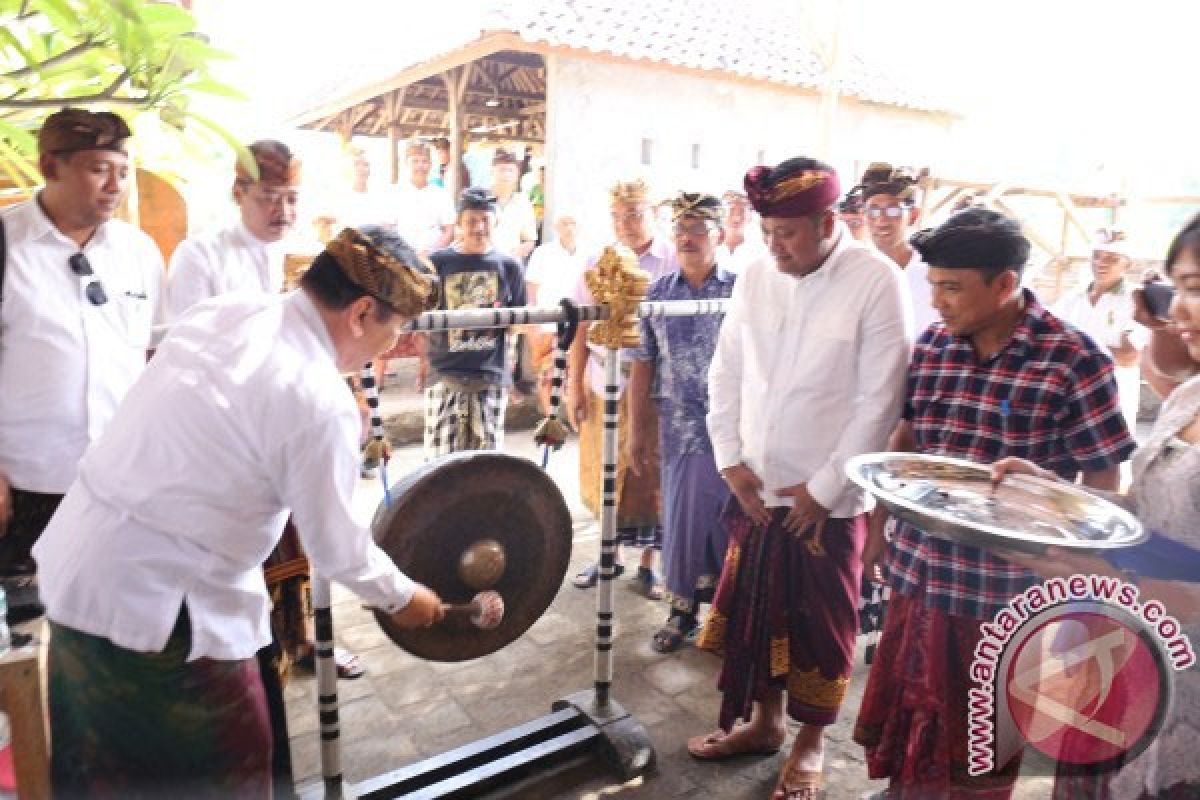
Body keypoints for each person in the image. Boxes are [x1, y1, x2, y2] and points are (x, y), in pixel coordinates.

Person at [33, 226, 445, 798]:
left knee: (104, 774)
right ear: (361, 313)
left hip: (75, 571)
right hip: (160, 610)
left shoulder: (227, 312)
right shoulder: (316, 398)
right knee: (235, 770)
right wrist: (407, 599)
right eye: (394, 329)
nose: (389, 345)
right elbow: (337, 551)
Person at [853, 209, 1138, 799]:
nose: (937, 302)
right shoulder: (932, 346)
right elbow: (906, 441)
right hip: (921, 572)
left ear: (1005, 285)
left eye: (951, 287)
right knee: (911, 708)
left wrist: (1045, 492)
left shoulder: (1074, 360)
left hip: (1002, 595)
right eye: (932, 285)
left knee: (985, 737)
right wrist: (877, 527)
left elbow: (1104, 481)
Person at [688, 157, 911, 800]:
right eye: (766, 231)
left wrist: (825, 489)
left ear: (825, 220)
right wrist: (728, 457)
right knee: (757, 615)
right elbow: (725, 370)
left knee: (821, 626)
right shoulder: (757, 276)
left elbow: (880, 399)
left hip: (828, 505)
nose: (773, 246)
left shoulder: (874, 281)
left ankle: (811, 745)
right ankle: (764, 724)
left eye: (786, 232)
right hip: (756, 489)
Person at [992, 212, 1200, 800]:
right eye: (1181, 285)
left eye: (1198, 290)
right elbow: (1149, 508)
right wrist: (1053, 490)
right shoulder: (1189, 397)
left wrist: (1112, 578)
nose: (1179, 309)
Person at [0, 108, 164, 623]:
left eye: (122, 169)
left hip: (119, 481)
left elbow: (157, 356)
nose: (115, 184)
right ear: (52, 166)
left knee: (113, 623)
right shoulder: (7, 244)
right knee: (31, 631)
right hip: (27, 485)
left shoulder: (139, 251)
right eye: (98, 169)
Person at [627, 192, 736, 653]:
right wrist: (638, 429)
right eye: (681, 230)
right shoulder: (657, 294)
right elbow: (641, 365)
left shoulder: (740, 291)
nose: (688, 239)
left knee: (731, 522)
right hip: (679, 427)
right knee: (684, 521)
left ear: (720, 236)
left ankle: (729, 616)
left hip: (734, 428)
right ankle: (682, 611)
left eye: (698, 230)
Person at [567, 178, 679, 598]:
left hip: (650, 386)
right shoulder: (597, 259)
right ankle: (607, 555)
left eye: (634, 214)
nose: (626, 223)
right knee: (605, 472)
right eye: (618, 216)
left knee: (646, 473)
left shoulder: (670, 260)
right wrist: (573, 384)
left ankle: (649, 565)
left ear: (653, 215)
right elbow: (579, 325)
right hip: (601, 380)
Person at [419, 188, 526, 457]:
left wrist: (511, 371)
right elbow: (422, 315)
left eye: (485, 220)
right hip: (445, 372)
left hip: (489, 374)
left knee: (486, 467)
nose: (478, 228)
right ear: (459, 224)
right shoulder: (438, 263)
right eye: (471, 221)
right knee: (439, 465)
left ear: (495, 222)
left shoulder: (509, 265)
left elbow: (519, 322)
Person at [1053, 228, 1148, 429]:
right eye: (1097, 256)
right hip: (1069, 398)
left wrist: (1071, 350)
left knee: (1109, 456)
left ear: (1127, 264)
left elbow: (1129, 357)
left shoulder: (1136, 300)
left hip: (1112, 399)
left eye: (1112, 258)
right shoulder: (1074, 297)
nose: (1101, 263)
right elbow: (1048, 341)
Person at [860, 162, 938, 335]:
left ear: (913, 216)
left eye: (893, 210)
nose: (881, 221)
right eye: (873, 211)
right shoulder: (856, 273)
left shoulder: (932, 274)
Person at [526, 214, 586, 414]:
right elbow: (531, 292)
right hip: (548, 324)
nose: (569, 228)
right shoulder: (542, 253)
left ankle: (571, 418)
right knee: (548, 376)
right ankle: (550, 422)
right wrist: (532, 327)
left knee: (575, 372)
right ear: (556, 227)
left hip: (579, 324)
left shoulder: (589, 254)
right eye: (564, 223)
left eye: (573, 223)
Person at [391, 138, 455, 257]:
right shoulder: (394, 193)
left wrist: (432, 252)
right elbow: (387, 229)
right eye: (415, 161)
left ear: (430, 164)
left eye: (424, 161)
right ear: (406, 163)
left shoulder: (441, 194)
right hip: (401, 260)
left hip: (434, 259)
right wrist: (405, 254)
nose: (420, 166)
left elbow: (449, 230)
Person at [490, 148, 537, 261]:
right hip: (482, 266)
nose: (506, 174)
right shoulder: (480, 198)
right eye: (502, 170)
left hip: (511, 266)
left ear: (517, 175)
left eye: (510, 170)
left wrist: (517, 252)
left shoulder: (523, 202)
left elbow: (530, 240)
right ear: (492, 172)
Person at [717, 189, 767, 274]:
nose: (736, 218)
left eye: (742, 211)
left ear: (750, 216)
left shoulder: (761, 249)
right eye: (731, 211)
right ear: (720, 214)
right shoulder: (709, 246)